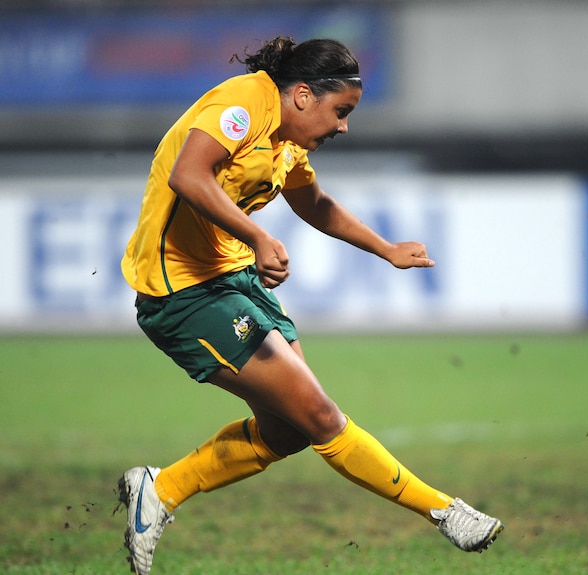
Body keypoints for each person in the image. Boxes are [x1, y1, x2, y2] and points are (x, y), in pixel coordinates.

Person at [117, 36, 503, 575]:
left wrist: (386, 248)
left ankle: (160, 490)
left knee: (290, 430)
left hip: (233, 280)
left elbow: (315, 204)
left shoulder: (286, 142)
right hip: (181, 292)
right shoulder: (243, 104)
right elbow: (188, 174)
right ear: (302, 95)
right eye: (341, 111)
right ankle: (445, 512)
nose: (344, 127)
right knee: (320, 415)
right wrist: (257, 236)